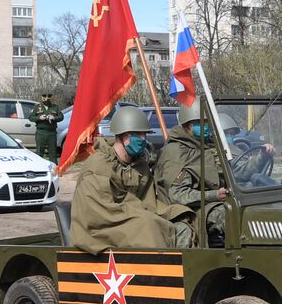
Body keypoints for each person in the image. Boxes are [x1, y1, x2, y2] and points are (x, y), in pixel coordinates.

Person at [71, 104, 194, 252]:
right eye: (136, 134)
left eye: (144, 134)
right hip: (100, 228)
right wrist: (140, 214)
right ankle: (157, 273)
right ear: (121, 136)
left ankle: (183, 272)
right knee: (148, 225)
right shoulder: (98, 166)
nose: (142, 139)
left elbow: (149, 203)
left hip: (131, 219)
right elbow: (99, 212)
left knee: (182, 222)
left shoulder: (139, 165)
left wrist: (173, 212)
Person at [155, 98, 274, 245]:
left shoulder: (212, 145)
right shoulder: (176, 153)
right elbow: (177, 195)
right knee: (234, 218)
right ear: (187, 125)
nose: (206, 127)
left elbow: (237, 171)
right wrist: (214, 195)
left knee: (262, 211)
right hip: (189, 209)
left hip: (219, 200)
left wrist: (262, 157)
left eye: (208, 123)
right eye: (200, 124)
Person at [32, 93, 62, 162]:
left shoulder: (55, 107)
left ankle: (54, 169)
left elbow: (61, 117)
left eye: (48, 99)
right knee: (39, 152)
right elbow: (31, 117)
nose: (46, 101)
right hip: (41, 132)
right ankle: (39, 168)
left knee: (53, 152)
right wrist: (39, 117)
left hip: (52, 133)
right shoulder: (37, 107)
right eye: (45, 99)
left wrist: (54, 117)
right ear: (42, 99)